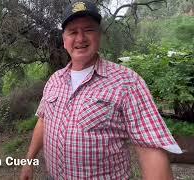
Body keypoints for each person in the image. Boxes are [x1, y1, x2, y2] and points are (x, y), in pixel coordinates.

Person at [20, 0, 182, 179]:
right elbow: (43, 121)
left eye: (88, 29)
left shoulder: (127, 82)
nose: (80, 38)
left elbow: (151, 149)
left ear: (99, 35)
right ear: (64, 40)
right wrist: (28, 161)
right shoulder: (54, 80)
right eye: (73, 32)